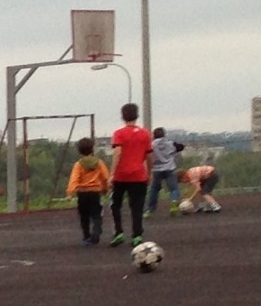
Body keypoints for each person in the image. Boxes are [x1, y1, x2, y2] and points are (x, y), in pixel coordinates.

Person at [108, 101, 153, 246]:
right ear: (137, 115)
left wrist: (112, 173)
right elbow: (149, 156)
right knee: (137, 206)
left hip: (121, 176)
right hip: (139, 175)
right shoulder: (145, 134)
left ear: (122, 116)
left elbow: (117, 152)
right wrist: (149, 173)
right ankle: (137, 235)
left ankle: (119, 232)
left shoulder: (119, 134)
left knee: (115, 205)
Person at [65, 137, 111, 245]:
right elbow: (105, 177)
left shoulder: (78, 164)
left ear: (79, 151)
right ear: (92, 149)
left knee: (84, 216)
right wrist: (105, 189)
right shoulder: (99, 163)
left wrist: (70, 193)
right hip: (95, 192)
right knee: (96, 214)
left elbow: (74, 179)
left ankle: (86, 237)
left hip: (82, 193)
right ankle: (96, 233)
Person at [146, 127, 182, 214]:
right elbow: (181, 147)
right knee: (174, 189)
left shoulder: (151, 145)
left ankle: (150, 210)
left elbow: (147, 154)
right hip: (169, 168)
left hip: (156, 169)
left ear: (154, 135)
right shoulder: (170, 143)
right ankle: (174, 201)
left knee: (154, 189)